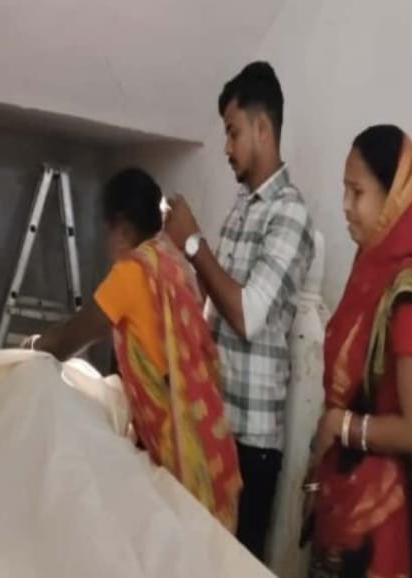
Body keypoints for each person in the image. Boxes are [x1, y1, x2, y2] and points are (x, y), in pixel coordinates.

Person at [26, 167, 241, 531]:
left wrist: (30, 346)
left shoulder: (133, 273)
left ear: (121, 229)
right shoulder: (174, 264)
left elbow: (69, 339)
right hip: (211, 447)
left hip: (184, 458)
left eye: (106, 231)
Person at [165, 61, 315, 560]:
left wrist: (193, 244)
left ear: (262, 128)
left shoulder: (289, 213)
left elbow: (248, 315)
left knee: (233, 565)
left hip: (251, 443)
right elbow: (216, 303)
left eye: (232, 133)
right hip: (215, 421)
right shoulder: (241, 207)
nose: (226, 147)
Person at [304, 125, 412, 578]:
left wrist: (340, 426)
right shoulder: (369, 269)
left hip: (377, 516)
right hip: (342, 488)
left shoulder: (407, 296)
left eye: (357, 192)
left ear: (394, 197)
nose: (345, 205)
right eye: (344, 190)